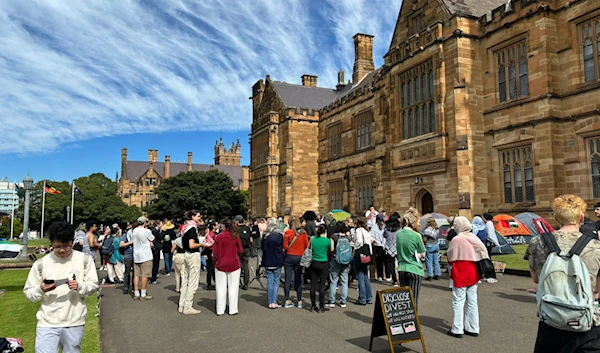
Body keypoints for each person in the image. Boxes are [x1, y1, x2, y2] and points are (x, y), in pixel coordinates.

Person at [524, 195, 600, 352]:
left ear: (555, 217)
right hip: (587, 323)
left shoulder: (538, 242)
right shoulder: (595, 246)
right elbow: (597, 289)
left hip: (552, 320)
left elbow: (536, 278)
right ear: (581, 216)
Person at [24, 221, 98, 353]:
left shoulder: (84, 260)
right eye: (57, 247)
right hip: (47, 322)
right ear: (51, 243)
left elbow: (93, 285)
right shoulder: (41, 264)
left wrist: (79, 286)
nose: (62, 250)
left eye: (66, 246)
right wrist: (40, 289)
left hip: (74, 322)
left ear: (73, 241)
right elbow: (29, 293)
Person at [446, 216, 489, 338]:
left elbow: (450, 256)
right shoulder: (473, 237)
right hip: (473, 271)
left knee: (458, 301)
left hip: (461, 271)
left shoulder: (457, 239)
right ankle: (473, 327)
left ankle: (457, 328)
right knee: (472, 301)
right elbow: (483, 251)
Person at [213, 218, 244, 316]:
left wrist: (215, 262)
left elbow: (214, 253)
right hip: (234, 263)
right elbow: (240, 250)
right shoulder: (235, 236)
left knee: (220, 288)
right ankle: (232, 309)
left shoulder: (218, 237)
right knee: (233, 288)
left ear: (224, 226)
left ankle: (220, 310)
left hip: (221, 264)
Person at [396, 207, 426, 308]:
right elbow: (423, 253)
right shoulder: (416, 235)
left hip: (402, 268)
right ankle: (412, 323)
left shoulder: (399, 234)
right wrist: (418, 254)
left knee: (404, 300)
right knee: (413, 300)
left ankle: (405, 321)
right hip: (414, 269)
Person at [179, 210, 205, 314]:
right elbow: (192, 245)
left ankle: (182, 304)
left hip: (186, 254)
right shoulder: (192, 229)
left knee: (185, 281)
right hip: (193, 254)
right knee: (193, 282)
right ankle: (188, 306)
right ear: (193, 217)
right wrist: (202, 245)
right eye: (198, 216)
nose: (199, 218)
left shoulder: (185, 228)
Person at [283, 216, 309, 309]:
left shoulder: (287, 233)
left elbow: (285, 246)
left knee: (288, 279)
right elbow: (307, 245)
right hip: (299, 257)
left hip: (289, 257)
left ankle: (286, 300)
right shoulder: (303, 233)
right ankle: (299, 300)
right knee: (298, 279)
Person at [327, 222, 352, 308]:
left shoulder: (334, 236)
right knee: (344, 281)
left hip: (336, 260)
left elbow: (332, 249)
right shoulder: (348, 238)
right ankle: (343, 301)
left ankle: (332, 301)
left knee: (334, 280)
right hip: (346, 261)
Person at [261, 218, 284, 309]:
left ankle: (270, 301)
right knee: (276, 282)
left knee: (270, 281)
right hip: (277, 260)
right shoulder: (279, 236)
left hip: (267, 260)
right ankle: (274, 301)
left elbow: (262, 248)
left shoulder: (265, 236)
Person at [310, 224, 333, 312]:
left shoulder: (313, 239)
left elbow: (309, 247)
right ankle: (321, 305)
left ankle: (312, 305)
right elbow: (331, 249)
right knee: (322, 285)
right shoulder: (327, 240)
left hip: (314, 261)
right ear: (325, 232)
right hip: (323, 262)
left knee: (313, 285)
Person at [132, 216, 155, 301]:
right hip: (145, 255)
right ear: (145, 223)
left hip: (136, 255)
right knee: (145, 275)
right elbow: (153, 239)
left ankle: (136, 293)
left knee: (136, 275)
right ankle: (143, 294)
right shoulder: (147, 231)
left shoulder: (135, 230)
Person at [354, 218, 373, 306]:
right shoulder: (366, 231)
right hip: (367, 254)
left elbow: (359, 242)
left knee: (360, 276)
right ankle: (369, 297)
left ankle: (362, 298)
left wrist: (355, 250)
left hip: (360, 254)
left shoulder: (358, 230)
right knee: (365, 275)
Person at [234, 215, 251, 290]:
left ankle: (236, 282)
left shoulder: (236, 229)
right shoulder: (247, 228)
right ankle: (246, 283)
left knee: (237, 266)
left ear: (237, 221)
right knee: (246, 265)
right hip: (246, 248)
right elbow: (251, 240)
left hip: (238, 248)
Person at [382, 213, 400, 285]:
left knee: (391, 265)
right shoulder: (399, 230)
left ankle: (395, 280)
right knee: (400, 264)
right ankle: (401, 279)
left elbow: (384, 236)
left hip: (389, 248)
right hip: (398, 248)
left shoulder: (386, 230)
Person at [482, 213, 499, 283]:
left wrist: (496, 243)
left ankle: (492, 276)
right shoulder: (489, 223)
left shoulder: (488, 224)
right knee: (486, 259)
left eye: (482, 217)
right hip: (488, 243)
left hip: (488, 244)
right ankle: (487, 275)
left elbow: (490, 234)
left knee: (487, 259)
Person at [119, 223, 134, 295]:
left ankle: (135, 287)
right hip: (128, 255)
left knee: (136, 273)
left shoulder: (137, 234)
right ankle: (126, 287)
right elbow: (121, 244)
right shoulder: (126, 235)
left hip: (136, 255)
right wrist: (130, 242)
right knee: (127, 272)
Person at [371, 215, 386, 282]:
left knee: (379, 262)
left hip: (377, 245)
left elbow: (372, 236)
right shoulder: (384, 226)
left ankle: (380, 275)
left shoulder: (374, 226)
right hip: (382, 246)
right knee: (382, 261)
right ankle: (384, 275)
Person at [203, 222, 217, 290]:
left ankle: (212, 282)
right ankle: (209, 284)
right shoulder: (212, 234)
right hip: (211, 251)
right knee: (211, 268)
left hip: (208, 251)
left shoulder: (208, 234)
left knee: (211, 268)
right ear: (213, 227)